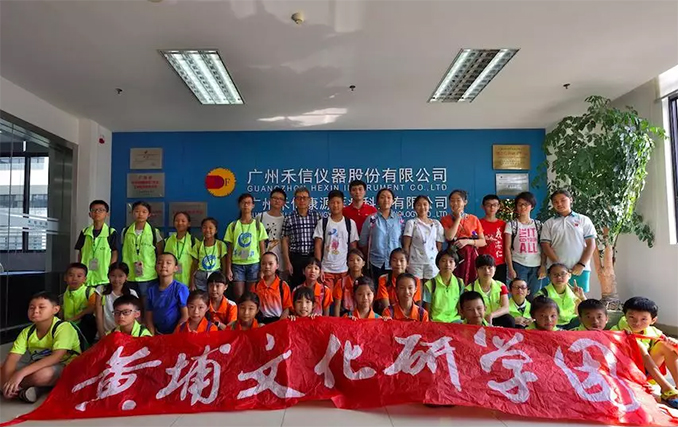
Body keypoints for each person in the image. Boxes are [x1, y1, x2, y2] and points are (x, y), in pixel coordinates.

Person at [1, 292, 80, 403]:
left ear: (55, 309)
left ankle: (19, 387)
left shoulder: (64, 327)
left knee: (42, 375)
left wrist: (19, 374)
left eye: (41, 307)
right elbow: (13, 357)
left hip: (64, 366)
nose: (35, 311)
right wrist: (6, 382)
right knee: (4, 367)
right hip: (36, 365)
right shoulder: (27, 332)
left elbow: (56, 357)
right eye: (31, 308)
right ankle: (24, 389)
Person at [612, 297, 678, 409]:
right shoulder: (616, 330)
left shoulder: (654, 332)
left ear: (653, 320)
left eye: (643, 319)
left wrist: (674, 345)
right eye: (631, 317)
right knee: (638, 345)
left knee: (665, 345)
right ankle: (666, 388)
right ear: (625, 316)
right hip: (626, 373)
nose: (637, 322)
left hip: (646, 371)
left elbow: (674, 352)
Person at [540, 189, 596, 293]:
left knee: (579, 298)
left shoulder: (583, 220)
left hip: (579, 270)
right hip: (556, 271)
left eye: (563, 200)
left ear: (570, 200)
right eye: (555, 202)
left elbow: (591, 245)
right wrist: (558, 265)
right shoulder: (549, 223)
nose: (559, 204)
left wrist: (581, 264)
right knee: (555, 299)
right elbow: (545, 245)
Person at [314, 190, 359, 292]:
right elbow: (318, 246)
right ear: (328, 204)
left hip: (344, 270)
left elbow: (353, 247)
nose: (335, 205)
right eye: (332, 203)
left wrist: (352, 268)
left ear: (343, 204)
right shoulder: (323, 223)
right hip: (326, 270)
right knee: (327, 298)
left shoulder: (350, 223)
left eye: (338, 202)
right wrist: (318, 268)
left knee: (343, 298)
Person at [225, 193, 269, 299]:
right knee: (238, 296)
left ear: (253, 205)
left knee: (251, 296)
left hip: (254, 264)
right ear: (239, 205)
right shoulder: (233, 225)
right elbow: (229, 249)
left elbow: (262, 249)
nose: (246, 205)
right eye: (243, 203)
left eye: (249, 203)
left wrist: (262, 268)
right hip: (237, 265)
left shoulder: (258, 225)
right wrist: (228, 268)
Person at [504, 192, 546, 298]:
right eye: (520, 204)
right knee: (518, 296)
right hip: (518, 264)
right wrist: (511, 268)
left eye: (526, 204)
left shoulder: (539, 225)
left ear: (532, 206)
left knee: (534, 296)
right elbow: (507, 248)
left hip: (536, 265)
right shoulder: (511, 225)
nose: (523, 207)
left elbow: (544, 247)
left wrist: (543, 266)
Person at [440, 190, 486, 284]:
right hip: (453, 255)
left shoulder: (473, 219)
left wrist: (467, 242)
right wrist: (458, 218)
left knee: (471, 280)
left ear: (465, 202)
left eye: (458, 200)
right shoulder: (445, 219)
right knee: (454, 281)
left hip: (471, 255)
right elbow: (449, 237)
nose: (455, 203)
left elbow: (483, 241)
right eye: (452, 201)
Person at [121, 201, 163, 299]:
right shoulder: (125, 232)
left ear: (149, 214)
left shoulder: (154, 232)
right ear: (132, 213)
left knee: (147, 301)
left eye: (144, 212)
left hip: (149, 274)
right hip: (130, 273)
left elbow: (160, 252)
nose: (140, 214)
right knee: (132, 301)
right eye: (137, 211)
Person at [359, 188, 404, 281]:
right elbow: (363, 242)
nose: (386, 200)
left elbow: (403, 240)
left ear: (393, 201)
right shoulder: (371, 219)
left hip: (396, 263)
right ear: (378, 200)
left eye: (389, 197)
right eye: (382, 197)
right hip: (376, 262)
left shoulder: (399, 219)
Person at [282, 187, 322, 289]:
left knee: (312, 287)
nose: (302, 200)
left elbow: (320, 241)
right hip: (296, 258)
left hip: (311, 257)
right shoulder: (289, 218)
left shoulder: (316, 216)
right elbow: (285, 241)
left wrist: (319, 262)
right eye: (299, 198)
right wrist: (287, 262)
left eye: (304, 198)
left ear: (309, 200)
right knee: (296, 287)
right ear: (295, 200)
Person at [75, 200, 118, 287]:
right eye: (94, 210)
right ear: (90, 214)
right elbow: (80, 253)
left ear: (107, 214)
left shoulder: (111, 232)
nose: (97, 212)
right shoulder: (84, 232)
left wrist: (111, 270)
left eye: (101, 210)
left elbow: (114, 252)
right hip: (86, 277)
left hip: (103, 277)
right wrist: (80, 270)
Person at [403, 195, 444, 284]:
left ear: (429, 206)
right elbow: (406, 245)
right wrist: (406, 261)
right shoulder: (411, 223)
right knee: (416, 288)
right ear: (414, 208)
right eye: (419, 205)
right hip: (415, 262)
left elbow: (439, 246)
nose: (422, 207)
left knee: (430, 288)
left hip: (432, 262)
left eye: (425, 204)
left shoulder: (436, 224)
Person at [145, 253, 189, 335]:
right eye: (159, 263)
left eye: (168, 263)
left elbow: (185, 316)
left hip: (176, 334)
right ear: (155, 267)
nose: (164, 265)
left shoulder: (180, 288)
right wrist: (152, 336)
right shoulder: (151, 290)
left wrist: (173, 336)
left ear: (176, 268)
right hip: (158, 333)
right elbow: (148, 317)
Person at [465, 255, 515, 328]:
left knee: (509, 320)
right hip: (478, 319)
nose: (486, 271)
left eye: (489, 267)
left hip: (495, 317)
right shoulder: (469, 289)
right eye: (482, 268)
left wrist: (491, 315)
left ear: (495, 269)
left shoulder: (501, 286)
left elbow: (506, 308)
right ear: (477, 270)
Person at [94, 262, 138, 339]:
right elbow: (98, 315)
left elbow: (134, 317)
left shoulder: (132, 293)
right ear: (108, 276)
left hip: (124, 336)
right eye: (113, 276)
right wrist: (102, 335)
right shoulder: (101, 290)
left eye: (120, 276)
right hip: (105, 333)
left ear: (126, 277)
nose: (116, 279)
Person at [538, 263, 586, 330]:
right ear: (549, 277)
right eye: (555, 275)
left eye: (563, 274)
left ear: (569, 275)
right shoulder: (543, 293)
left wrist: (582, 297)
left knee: (587, 318)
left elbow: (588, 309)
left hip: (571, 322)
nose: (559, 277)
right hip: (552, 324)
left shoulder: (574, 292)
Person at [375, 248, 422, 315]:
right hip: (390, 315)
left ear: (407, 263)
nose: (398, 263)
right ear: (390, 263)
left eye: (401, 260)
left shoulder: (415, 280)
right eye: (394, 260)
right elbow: (386, 306)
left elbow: (416, 305)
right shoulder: (384, 279)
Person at [423, 248, 464, 323]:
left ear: (455, 265)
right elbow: (427, 310)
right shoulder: (430, 284)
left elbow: (460, 306)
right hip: (436, 321)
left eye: (451, 261)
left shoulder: (460, 283)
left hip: (455, 321)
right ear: (438, 264)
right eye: (443, 261)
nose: (447, 264)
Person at [61, 263, 97, 344]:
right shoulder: (64, 295)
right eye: (71, 275)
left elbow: (91, 308)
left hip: (84, 328)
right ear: (65, 278)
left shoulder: (90, 292)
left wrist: (74, 318)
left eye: (79, 276)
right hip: (68, 326)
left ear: (85, 279)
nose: (74, 279)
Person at [256, 188, 287, 278]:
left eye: (280, 199)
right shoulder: (260, 217)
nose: (277, 201)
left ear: (284, 203)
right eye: (275, 198)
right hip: (263, 261)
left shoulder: (286, 219)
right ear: (269, 200)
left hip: (280, 261)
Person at [190, 217, 227, 292]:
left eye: (210, 228)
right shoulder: (197, 246)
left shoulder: (220, 245)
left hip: (216, 275)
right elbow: (194, 266)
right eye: (204, 227)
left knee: (214, 295)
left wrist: (223, 280)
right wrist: (192, 282)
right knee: (201, 296)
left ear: (216, 230)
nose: (207, 230)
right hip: (200, 277)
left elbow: (224, 264)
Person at [254, 252, 293, 324]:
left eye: (270, 264)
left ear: (277, 265)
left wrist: (279, 325)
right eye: (263, 264)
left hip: (278, 321)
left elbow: (286, 309)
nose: (267, 266)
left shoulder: (283, 286)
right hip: (261, 323)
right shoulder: (255, 286)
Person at [478, 194, 506, 284]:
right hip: (482, 263)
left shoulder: (503, 224)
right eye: (488, 205)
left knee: (499, 288)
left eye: (494, 205)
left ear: (498, 206)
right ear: (483, 207)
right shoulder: (477, 223)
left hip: (499, 263)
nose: (492, 207)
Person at [163, 212, 196, 286]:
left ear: (189, 224)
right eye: (177, 221)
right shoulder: (168, 240)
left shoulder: (193, 241)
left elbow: (195, 263)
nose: (180, 223)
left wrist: (192, 281)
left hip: (187, 281)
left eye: (183, 221)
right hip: (171, 282)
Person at [333, 249, 366, 317]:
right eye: (351, 260)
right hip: (346, 316)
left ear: (363, 263)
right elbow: (337, 306)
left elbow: (369, 305)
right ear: (347, 263)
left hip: (362, 316)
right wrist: (337, 321)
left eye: (358, 260)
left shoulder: (367, 282)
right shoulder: (341, 282)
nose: (355, 262)